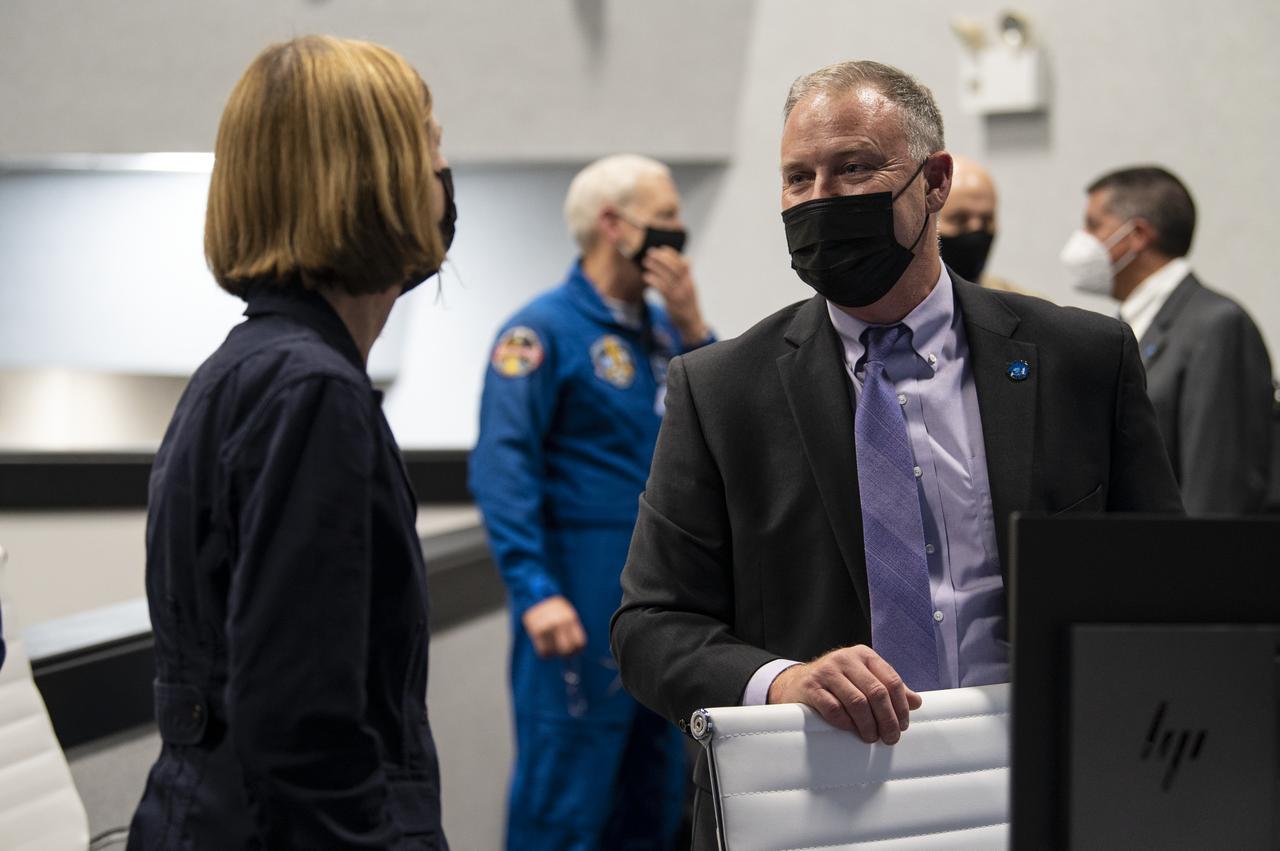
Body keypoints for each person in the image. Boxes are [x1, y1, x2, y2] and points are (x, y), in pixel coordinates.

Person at [610, 60, 1183, 849]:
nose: (820, 198)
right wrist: (785, 680)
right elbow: (649, 625)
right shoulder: (721, 390)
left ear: (934, 181)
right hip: (831, 800)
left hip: (1044, 785)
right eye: (797, 177)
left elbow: (1163, 584)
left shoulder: (1081, 358)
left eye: (853, 168)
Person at [127, 36, 455, 849]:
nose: (445, 182)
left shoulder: (250, 369)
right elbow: (302, 731)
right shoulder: (312, 395)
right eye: (432, 147)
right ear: (372, 176)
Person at [470, 154, 713, 850]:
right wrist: (534, 588)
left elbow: (732, 434)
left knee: (660, 800)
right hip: (577, 604)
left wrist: (697, 330)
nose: (679, 233)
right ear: (614, 225)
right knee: (567, 803)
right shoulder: (539, 332)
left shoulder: (671, 335)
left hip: (665, 611)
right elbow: (502, 466)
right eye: (666, 220)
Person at [1061, 166, 1273, 514]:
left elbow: (1217, 488)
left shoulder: (1216, 325)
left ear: (1138, 234)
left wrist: (1194, 566)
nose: (1082, 240)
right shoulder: (1120, 328)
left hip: (1189, 562)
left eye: (1094, 225)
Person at [937, 154, 1025, 294]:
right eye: (960, 220)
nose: (976, 229)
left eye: (986, 220)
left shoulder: (1022, 310)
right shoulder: (901, 311)